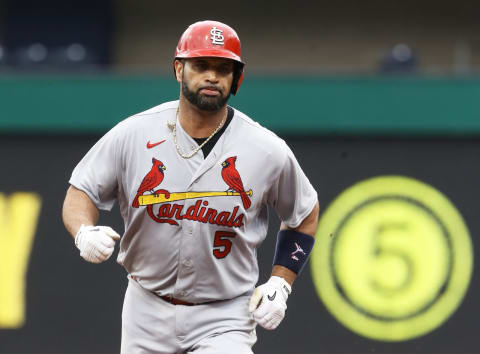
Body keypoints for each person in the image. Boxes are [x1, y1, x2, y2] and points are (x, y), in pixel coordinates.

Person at [62, 20, 319, 354]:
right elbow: (80, 192)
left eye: (223, 68)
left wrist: (281, 283)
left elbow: (304, 212)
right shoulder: (134, 134)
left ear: (236, 78)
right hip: (146, 308)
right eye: (201, 65)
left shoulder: (265, 148)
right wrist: (83, 231)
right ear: (178, 69)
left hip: (225, 313)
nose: (212, 76)